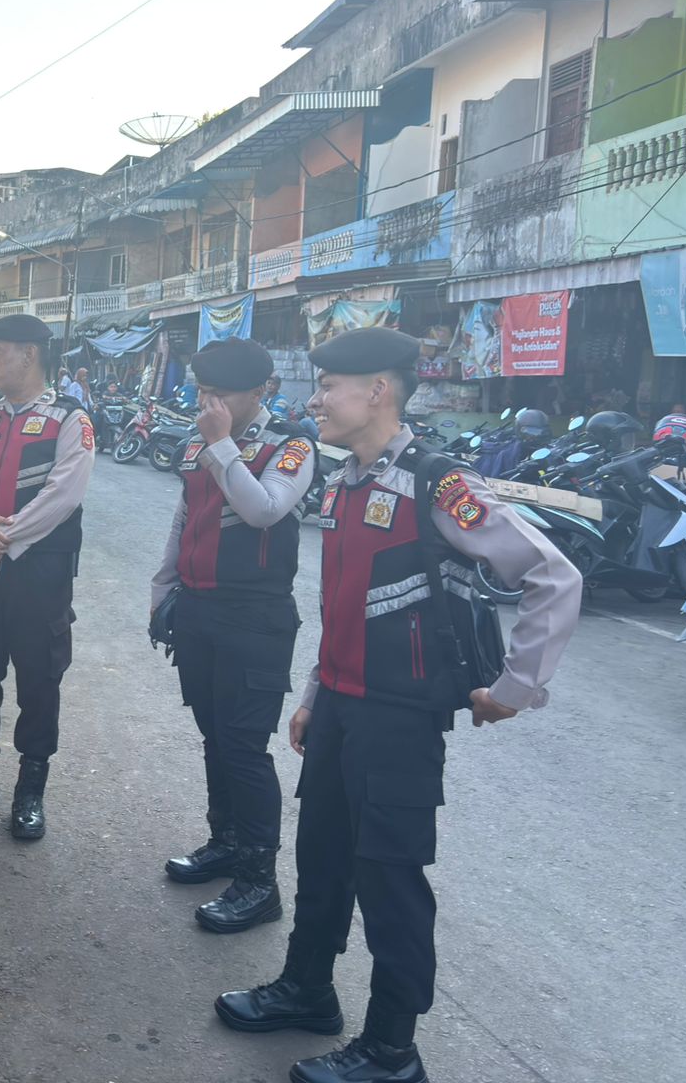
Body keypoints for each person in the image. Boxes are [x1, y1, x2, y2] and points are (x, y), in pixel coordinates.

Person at [215, 327, 582, 1083]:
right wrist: (318, 692)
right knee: (320, 861)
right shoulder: (348, 479)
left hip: (400, 723)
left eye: (329, 385)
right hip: (344, 711)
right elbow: (347, 605)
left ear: (377, 390)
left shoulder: (434, 481)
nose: (313, 398)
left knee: (390, 882)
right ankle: (307, 990)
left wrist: (516, 688)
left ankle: (391, 1049)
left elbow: (554, 577)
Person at [150, 338, 315, 934]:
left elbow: (264, 510)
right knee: (215, 737)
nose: (208, 403)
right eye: (202, 392)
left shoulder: (291, 447)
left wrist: (222, 445)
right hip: (198, 612)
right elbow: (183, 518)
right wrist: (161, 589)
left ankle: (259, 880)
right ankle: (224, 842)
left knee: (245, 749)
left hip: (255, 620)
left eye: (220, 394)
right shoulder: (200, 443)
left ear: (260, 391)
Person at [0, 314, 96, 840]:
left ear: (29, 354)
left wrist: (0, 544)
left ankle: (30, 793)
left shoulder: (69, 419)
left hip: (40, 574)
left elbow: (63, 496)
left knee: (39, 681)